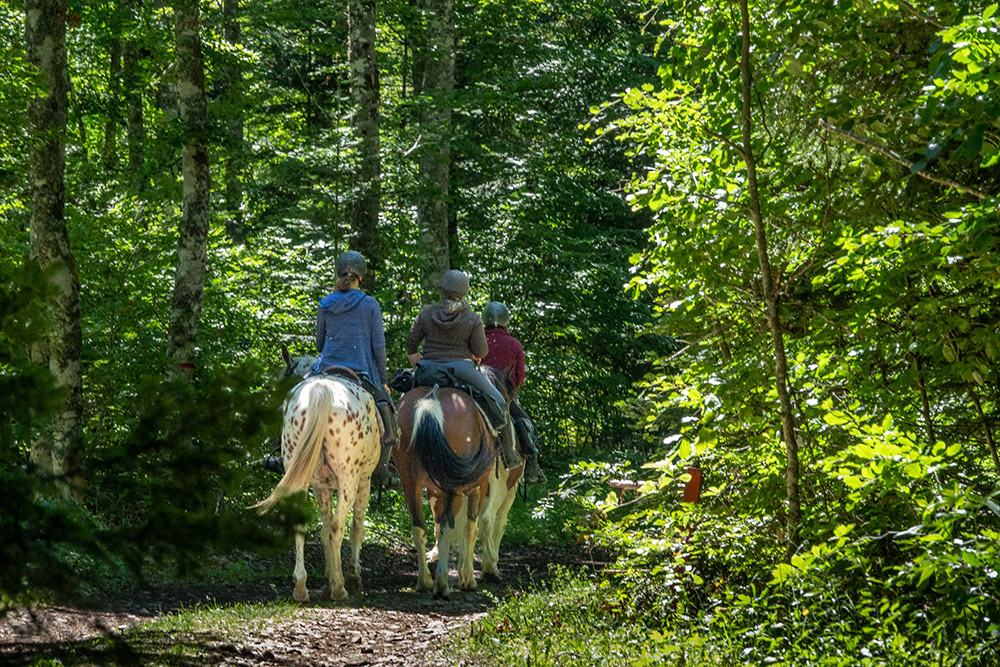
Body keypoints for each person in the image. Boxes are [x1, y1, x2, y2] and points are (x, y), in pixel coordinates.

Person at [405, 270, 521, 469]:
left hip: (428, 368)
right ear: (464, 293)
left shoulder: (426, 313)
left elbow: (411, 345)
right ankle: (509, 453)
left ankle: (390, 456)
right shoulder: (471, 318)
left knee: (397, 406)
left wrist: (418, 365)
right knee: (500, 401)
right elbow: (481, 351)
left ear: (441, 291)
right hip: (462, 369)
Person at [311, 250, 399, 489]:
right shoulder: (370, 305)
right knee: (387, 411)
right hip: (360, 371)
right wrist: (383, 381)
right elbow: (378, 347)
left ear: (338, 273)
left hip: (326, 368)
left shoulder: (325, 303)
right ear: (361, 276)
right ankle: (382, 471)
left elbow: (319, 344)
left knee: (294, 395)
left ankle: (281, 452)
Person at [480, 302, 546, 485]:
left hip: (474, 393)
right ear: (506, 320)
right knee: (524, 422)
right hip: (502, 396)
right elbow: (519, 376)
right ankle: (532, 466)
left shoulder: (477, 339)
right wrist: (511, 392)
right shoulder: (514, 344)